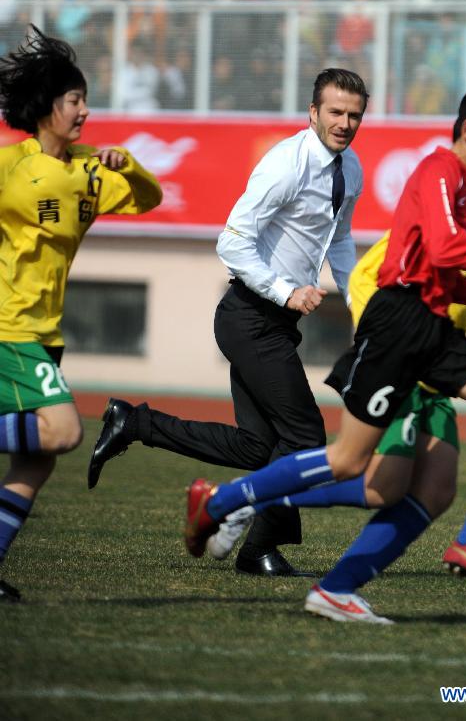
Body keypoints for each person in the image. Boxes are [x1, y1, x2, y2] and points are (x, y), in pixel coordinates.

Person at [182, 78, 466, 621]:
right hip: (396, 327)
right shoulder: (440, 170)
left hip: (433, 329)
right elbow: (442, 249)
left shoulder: (458, 192)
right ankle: (226, 502)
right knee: (353, 465)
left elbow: (443, 275)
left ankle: (458, 545)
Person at [87, 68, 369, 577]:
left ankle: (133, 423)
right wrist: (286, 290)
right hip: (248, 318)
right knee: (305, 436)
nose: (345, 123)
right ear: (313, 113)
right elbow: (231, 242)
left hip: (275, 326)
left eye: (354, 114)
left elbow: (342, 240)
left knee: (258, 447)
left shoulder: (352, 169)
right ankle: (257, 542)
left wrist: (360, 302)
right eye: (335, 112)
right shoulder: (285, 164)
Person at [0, 26, 162, 602]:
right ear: (48, 107)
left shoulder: (92, 168)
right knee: (63, 430)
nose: (86, 112)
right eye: (76, 101)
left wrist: (131, 164)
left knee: (35, 462)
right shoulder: (11, 167)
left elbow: (149, 198)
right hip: (9, 329)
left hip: (43, 333)